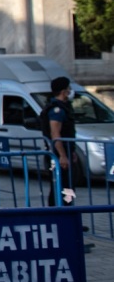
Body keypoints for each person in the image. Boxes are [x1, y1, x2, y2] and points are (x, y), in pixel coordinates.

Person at [41, 76, 78, 207]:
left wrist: (71, 152)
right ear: (64, 91)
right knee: (61, 185)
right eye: (69, 88)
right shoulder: (57, 110)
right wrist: (62, 155)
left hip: (65, 152)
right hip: (58, 156)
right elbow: (55, 134)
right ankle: (61, 215)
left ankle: (68, 212)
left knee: (68, 185)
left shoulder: (63, 107)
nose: (70, 91)